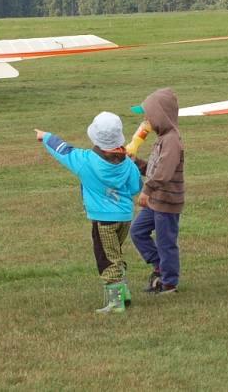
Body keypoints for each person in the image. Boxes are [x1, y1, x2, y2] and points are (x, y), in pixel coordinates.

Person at [34, 111, 142, 314]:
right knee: (115, 253)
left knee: (106, 258)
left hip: (103, 220)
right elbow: (136, 186)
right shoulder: (128, 163)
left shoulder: (85, 161)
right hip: (125, 218)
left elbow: (63, 150)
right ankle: (124, 292)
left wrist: (46, 136)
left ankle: (116, 302)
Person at [128, 88, 185, 294]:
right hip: (156, 200)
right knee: (137, 231)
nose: (145, 119)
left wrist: (147, 190)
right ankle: (160, 266)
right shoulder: (161, 138)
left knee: (165, 241)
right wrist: (136, 163)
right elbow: (153, 169)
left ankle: (169, 282)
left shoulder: (171, 140)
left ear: (161, 115)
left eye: (149, 115)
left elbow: (164, 172)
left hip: (166, 201)